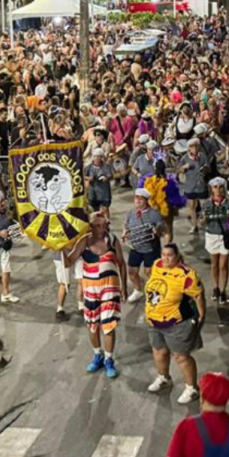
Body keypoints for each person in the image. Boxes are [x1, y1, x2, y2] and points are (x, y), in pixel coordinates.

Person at [62, 212, 127, 379]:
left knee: (108, 325)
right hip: (90, 290)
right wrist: (60, 247)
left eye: (103, 224)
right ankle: (97, 355)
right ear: (90, 226)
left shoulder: (112, 240)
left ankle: (109, 359)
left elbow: (121, 263)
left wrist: (124, 287)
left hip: (110, 289)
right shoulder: (84, 241)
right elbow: (69, 262)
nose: (101, 228)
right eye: (97, 225)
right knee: (92, 324)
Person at [145, 243, 206, 405]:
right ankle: (164, 378)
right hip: (154, 320)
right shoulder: (157, 265)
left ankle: (192, 388)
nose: (165, 258)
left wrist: (201, 316)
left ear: (178, 256)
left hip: (176, 323)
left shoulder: (187, 275)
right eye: (163, 254)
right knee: (159, 352)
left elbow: (199, 296)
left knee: (181, 356)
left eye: (170, 255)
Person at [122, 188, 164, 302]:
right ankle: (138, 290)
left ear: (146, 200)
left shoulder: (154, 214)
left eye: (141, 199)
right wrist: (125, 233)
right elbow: (126, 226)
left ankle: (155, 293)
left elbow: (161, 228)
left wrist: (157, 230)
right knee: (132, 271)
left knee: (149, 272)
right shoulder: (131, 213)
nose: (138, 201)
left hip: (150, 248)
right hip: (135, 247)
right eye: (136, 198)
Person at [202, 178, 229, 305]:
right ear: (211, 189)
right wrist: (204, 218)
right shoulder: (207, 204)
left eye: (221, 187)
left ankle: (223, 291)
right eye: (215, 187)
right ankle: (215, 288)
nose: (218, 189)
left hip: (225, 236)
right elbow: (201, 222)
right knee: (214, 264)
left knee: (223, 265)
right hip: (211, 235)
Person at [84, 147, 113, 217]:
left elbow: (111, 176)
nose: (97, 158)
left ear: (101, 157)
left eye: (99, 156)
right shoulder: (89, 167)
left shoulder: (106, 166)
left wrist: (106, 178)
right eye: (95, 156)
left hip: (104, 192)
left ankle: (106, 224)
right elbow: (83, 176)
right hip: (93, 192)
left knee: (105, 209)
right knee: (94, 211)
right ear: (93, 157)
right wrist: (89, 178)